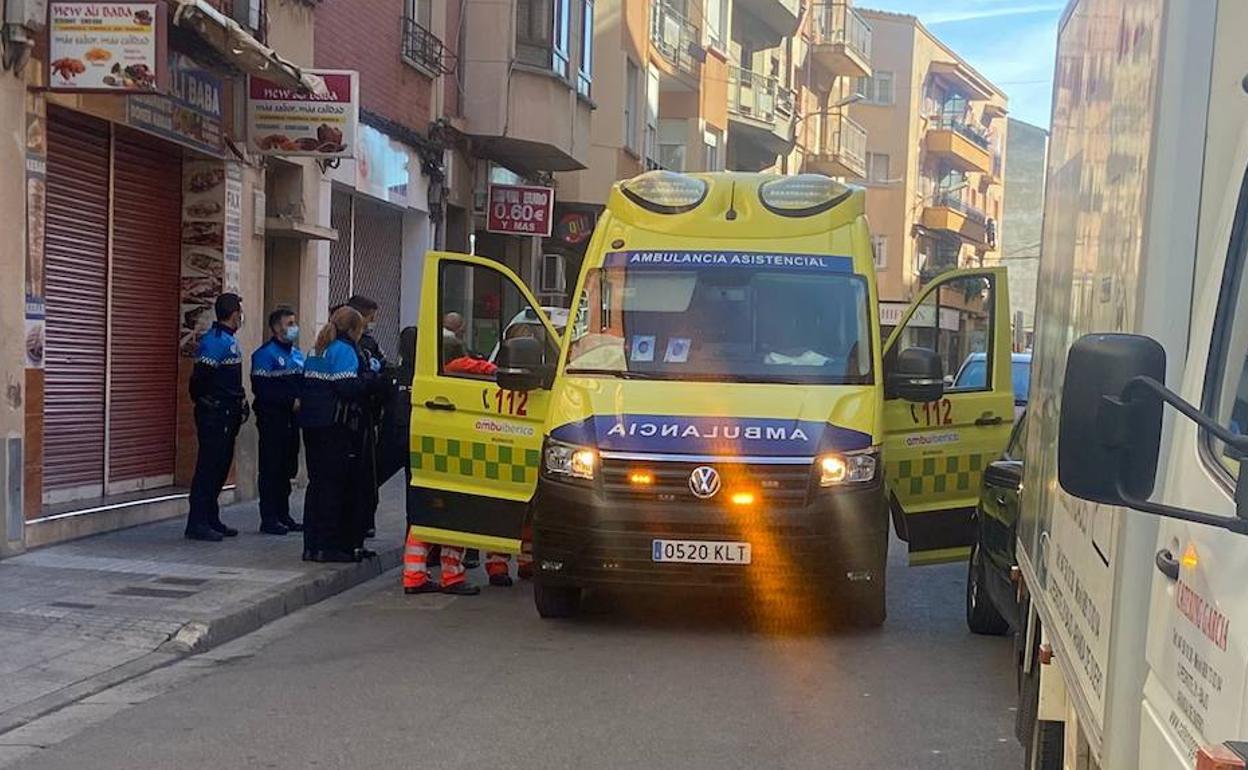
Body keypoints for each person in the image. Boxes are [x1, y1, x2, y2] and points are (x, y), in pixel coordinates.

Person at [300, 306, 376, 563]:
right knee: (334, 486)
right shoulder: (343, 351)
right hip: (336, 427)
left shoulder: (317, 349)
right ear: (354, 330)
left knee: (317, 485)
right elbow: (347, 388)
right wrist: (371, 381)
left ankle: (311, 545)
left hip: (312, 425)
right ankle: (329, 546)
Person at [186, 294, 248, 542]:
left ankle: (211, 517)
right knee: (209, 467)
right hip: (215, 413)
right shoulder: (215, 341)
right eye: (240, 311)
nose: (241, 316)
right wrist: (207, 402)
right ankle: (197, 522)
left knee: (221, 466)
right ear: (234, 314)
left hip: (228, 412)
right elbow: (200, 379)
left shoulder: (229, 340)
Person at [251, 307, 305, 535]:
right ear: (276, 328)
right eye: (289, 323)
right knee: (271, 468)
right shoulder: (265, 354)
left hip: (294, 421)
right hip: (273, 420)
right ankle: (269, 517)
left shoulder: (297, 354)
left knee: (287, 468)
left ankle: (284, 514)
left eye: (294, 322)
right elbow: (262, 390)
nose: (293, 327)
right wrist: (289, 402)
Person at [348, 295, 386, 540]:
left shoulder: (368, 343)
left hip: (365, 417)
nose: (372, 323)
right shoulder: (347, 347)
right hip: (352, 419)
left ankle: (364, 522)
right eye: (370, 317)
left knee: (366, 477)